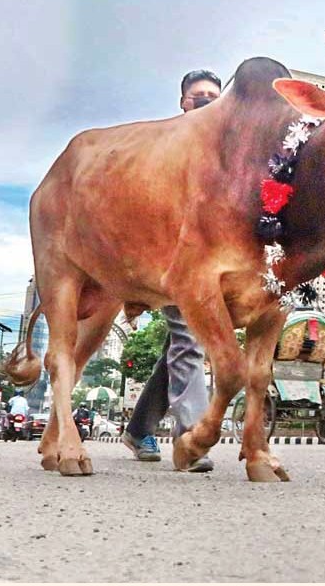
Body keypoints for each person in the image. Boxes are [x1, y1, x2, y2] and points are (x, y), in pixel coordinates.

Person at [121, 69, 222, 472]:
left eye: (215, 94)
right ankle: (191, 437)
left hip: (214, 258)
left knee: (181, 348)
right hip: (172, 256)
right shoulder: (166, 144)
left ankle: (138, 428)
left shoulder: (225, 148)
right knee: (190, 338)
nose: (209, 100)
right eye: (200, 95)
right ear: (184, 102)